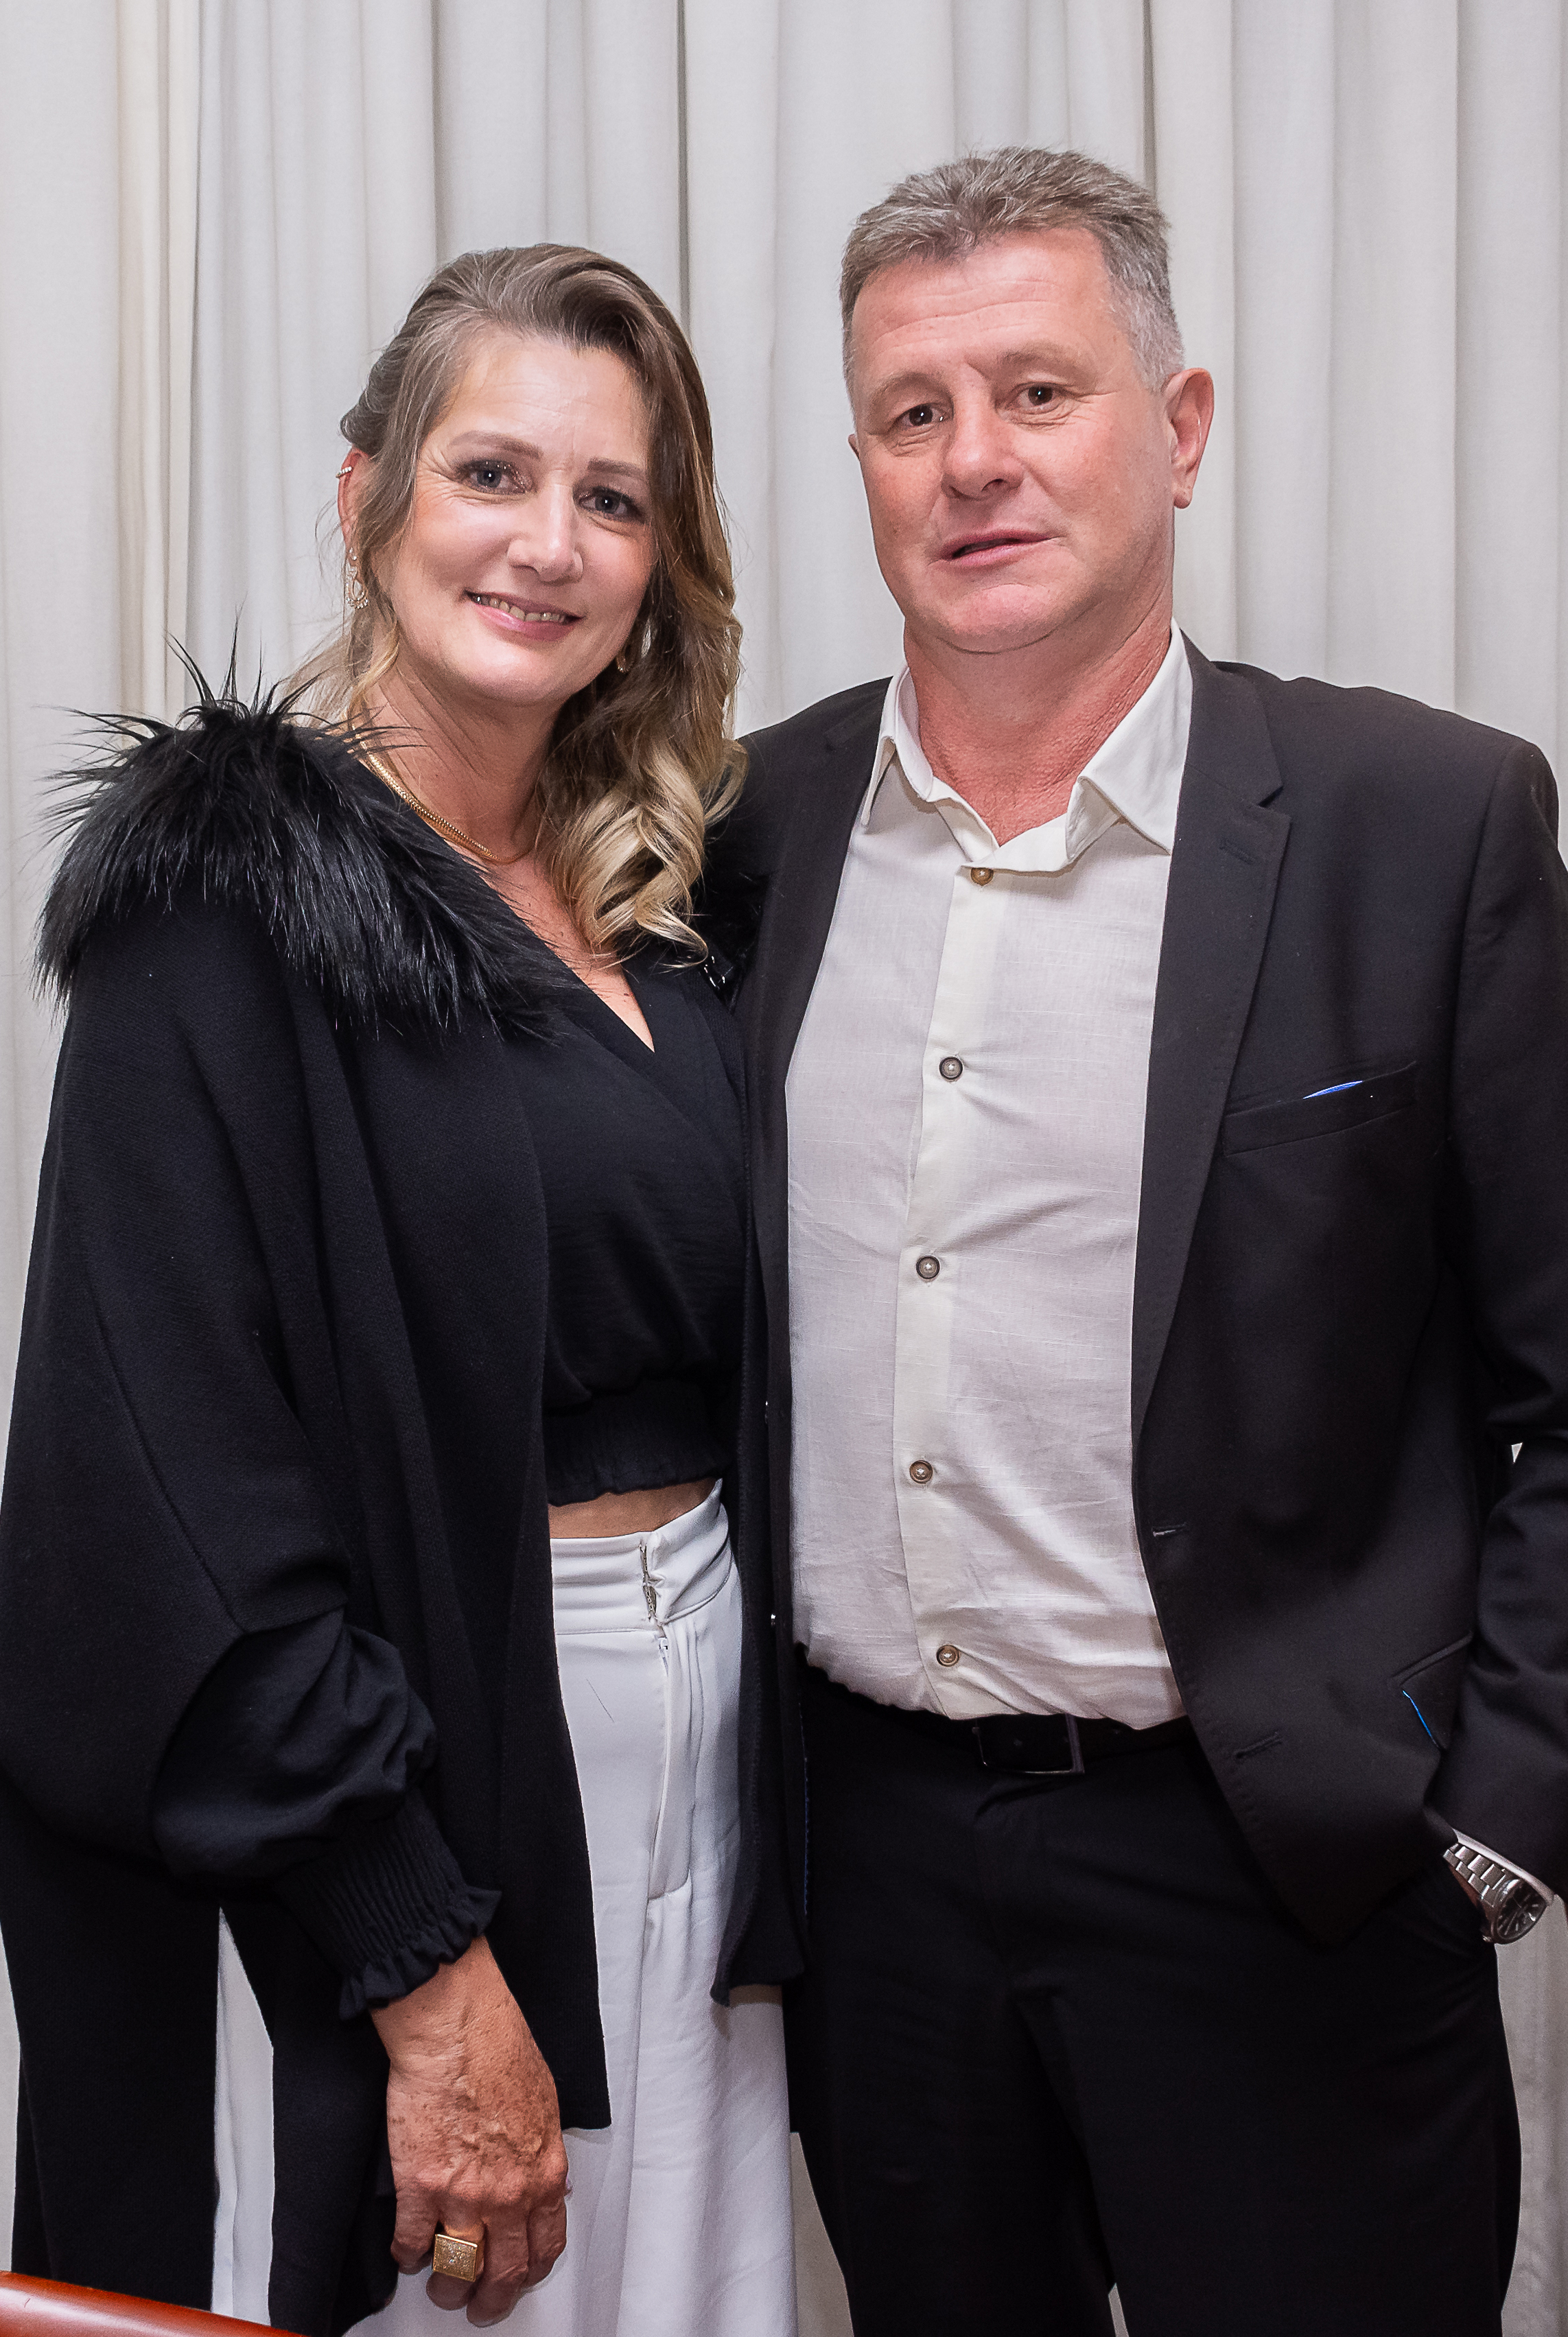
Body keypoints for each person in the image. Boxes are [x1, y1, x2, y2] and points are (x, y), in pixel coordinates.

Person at [713, 148, 1568, 2336]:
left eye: (1038, 391)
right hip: (877, 1874)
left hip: (1285, 1873)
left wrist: (1496, 1816)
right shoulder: (743, 833)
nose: (975, 461)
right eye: (913, 412)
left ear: (1179, 429)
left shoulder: (1428, 824)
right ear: (860, 462)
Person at [0, 244, 800, 2337]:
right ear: (366, 496)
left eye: (611, 499)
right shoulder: (221, 912)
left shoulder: (672, 900)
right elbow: (170, 1498)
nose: (549, 544)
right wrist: (422, 1967)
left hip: (698, 1792)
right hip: (418, 1794)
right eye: (490, 474)